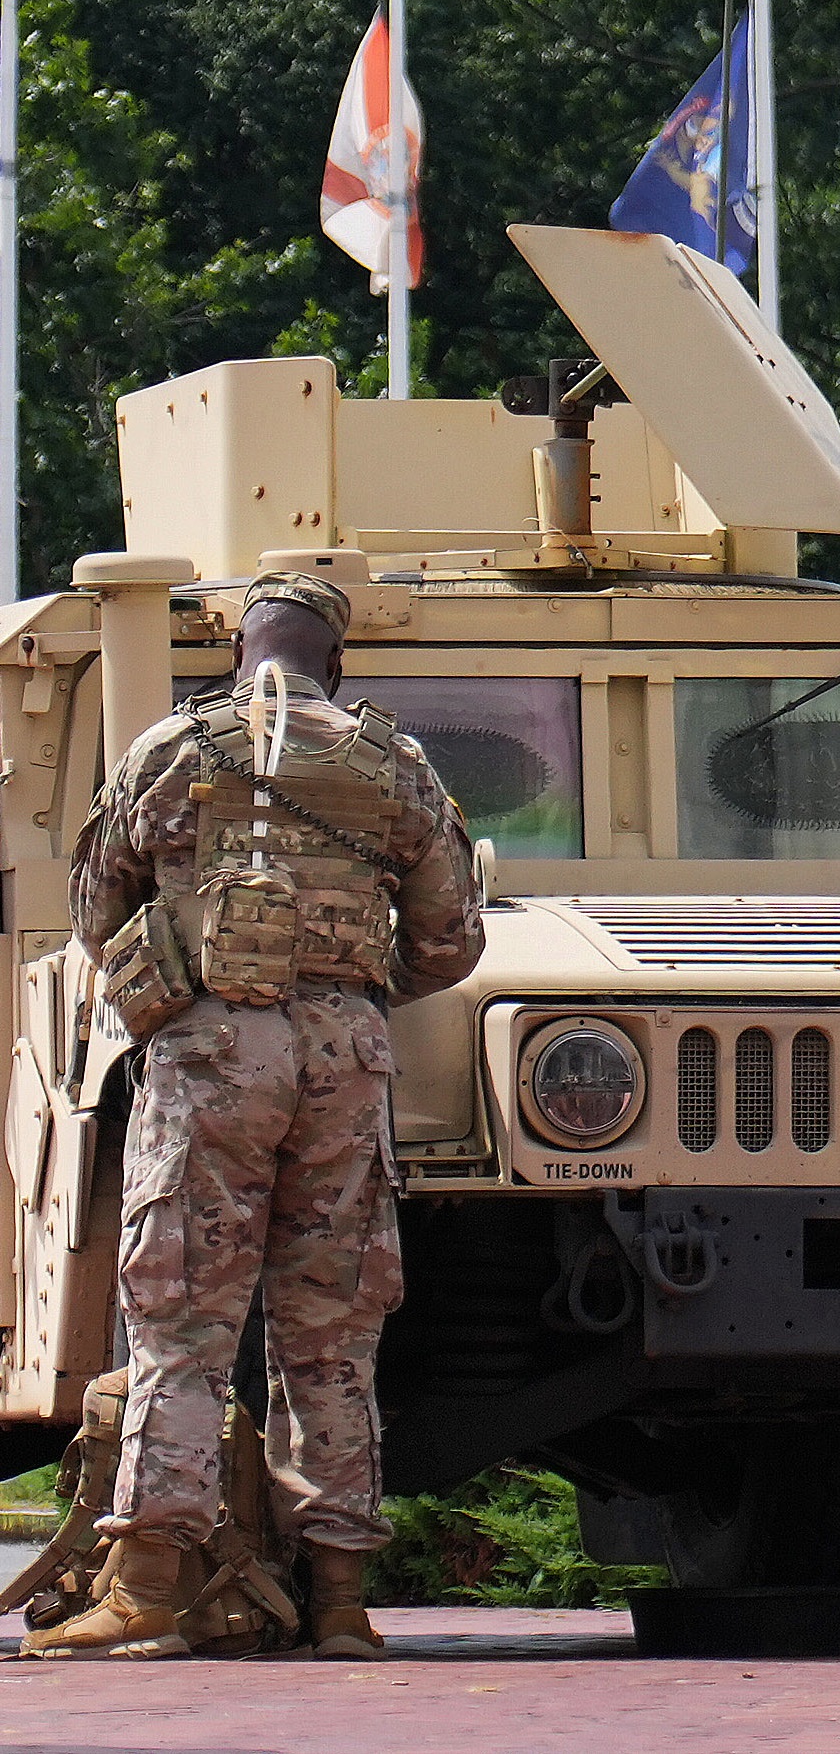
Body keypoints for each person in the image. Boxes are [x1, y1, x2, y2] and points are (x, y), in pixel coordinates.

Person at [34, 570, 483, 1663]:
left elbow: (94, 908)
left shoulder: (168, 750)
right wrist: (344, 989)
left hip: (209, 1058)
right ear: (336, 660)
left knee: (181, 1321)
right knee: (330, 1331)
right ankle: (338, 1601)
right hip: (345, 1055)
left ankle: (146, 1587)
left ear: (238, 652)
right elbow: (451, 940)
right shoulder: (395, 763)